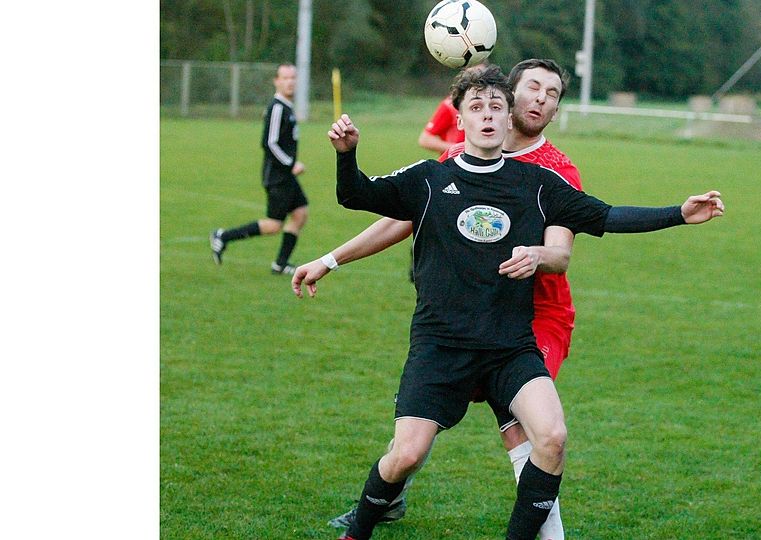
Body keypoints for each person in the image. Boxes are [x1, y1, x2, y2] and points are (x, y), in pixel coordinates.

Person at [297, 65, 723, 540]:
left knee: (551, 437)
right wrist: (346, 154)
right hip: (442, 344)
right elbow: (357, 194)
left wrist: (678, 215)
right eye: (476, 108)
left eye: (496, 108)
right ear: (458, 119)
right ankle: (359, 530)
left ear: (508, 118)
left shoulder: (538, 185)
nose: (487, 116)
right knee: (406, 455)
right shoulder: (428, 180)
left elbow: (606, 216)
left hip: (510, 346)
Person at [311, 58, 584, 539]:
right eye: (533, 88)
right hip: (464, 313)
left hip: (534, 315)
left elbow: (563, 252)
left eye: (554, 93)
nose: (541, 99)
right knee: (417, 437)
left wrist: (539, 253)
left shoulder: (556, 171)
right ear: (509, 95)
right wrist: (334, 258)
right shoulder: (464, 154)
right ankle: (388, 495)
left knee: (532, 432)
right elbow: (408, 214)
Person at [210, 63, 309, 275]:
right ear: (276, 81)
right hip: (277, 177)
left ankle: (280, 264)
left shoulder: (287, 108)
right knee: (274, 225)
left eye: (293, 77)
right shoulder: (277, 108)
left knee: (300, 214)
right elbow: (269, 143)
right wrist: (292, 164)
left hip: (286, 176)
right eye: (285, 78)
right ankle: (222, 236)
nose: (290, 81)